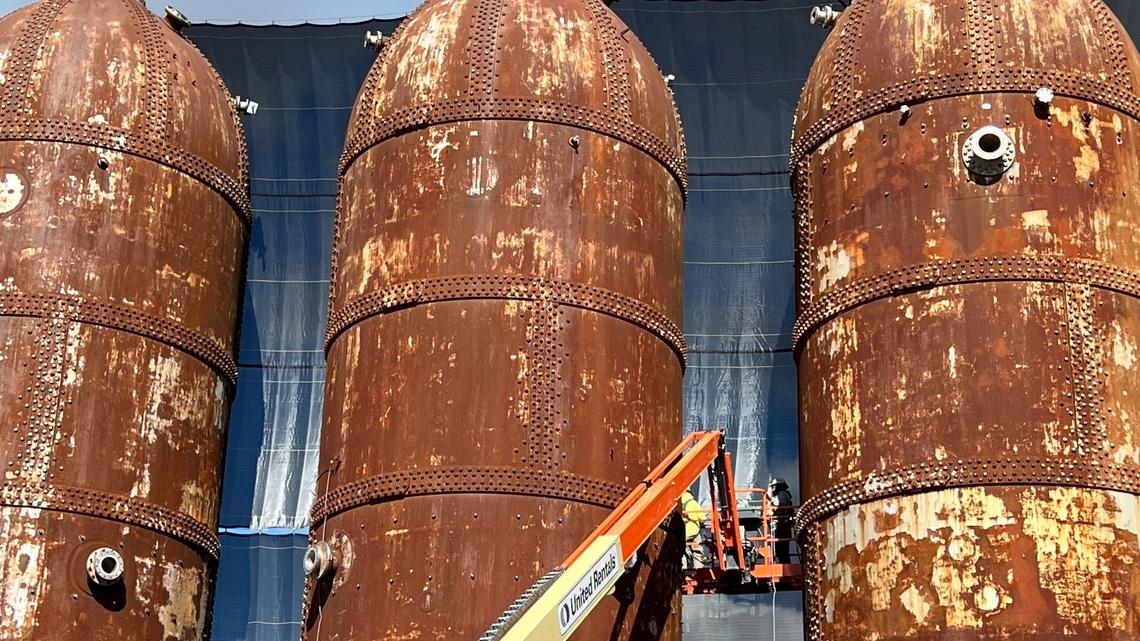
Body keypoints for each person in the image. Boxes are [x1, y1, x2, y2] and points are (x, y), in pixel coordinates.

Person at [767, 478, 795, 564]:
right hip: (783, 526)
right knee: (782, 551)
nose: (772, 489)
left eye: (774, 486)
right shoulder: (785, 495)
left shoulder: (782, 494)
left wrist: (770, 504)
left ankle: (784, 566)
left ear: (779, 486)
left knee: (782, 550)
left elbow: (780, 504)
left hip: (782, 526)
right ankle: (784, 564)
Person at [679, 491, 707, 569]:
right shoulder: (693, 503)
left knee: (683, 552)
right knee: (697, 550)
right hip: (694, 530)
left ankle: (683, 569)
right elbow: (703, 518)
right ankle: (699, 569)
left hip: (682, 532)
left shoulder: (677, 504)